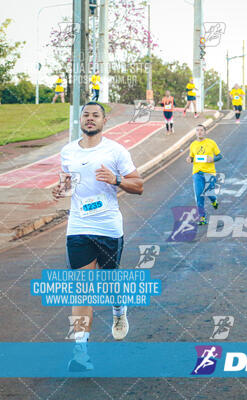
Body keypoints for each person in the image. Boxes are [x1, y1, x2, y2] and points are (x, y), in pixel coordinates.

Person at [52, 102, 143, 371]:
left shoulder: (116, 151)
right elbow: (68, 183)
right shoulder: (67, 151)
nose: (90, 119)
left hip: (108, 228)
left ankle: (119, 309)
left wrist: (115, 180)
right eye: (86, 115)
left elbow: (138, 185)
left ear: (105, 121)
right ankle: (81, 353)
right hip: (78, 226)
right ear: (79, 119)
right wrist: (60, 190)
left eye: (95, 115)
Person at [187, 124, 222, 225]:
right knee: (199, 195)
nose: (199, 132)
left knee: (209, 193)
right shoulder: (193, 145)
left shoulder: (211, 143)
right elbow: (192, 157)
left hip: (209, 173)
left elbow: (220, 156)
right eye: (197, 130)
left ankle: (214, 200)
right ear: (195, 132)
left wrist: (213, 159)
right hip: (197, 173)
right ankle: (202, 217)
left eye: (201, 130)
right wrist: (189, 159)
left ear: (205, 132)